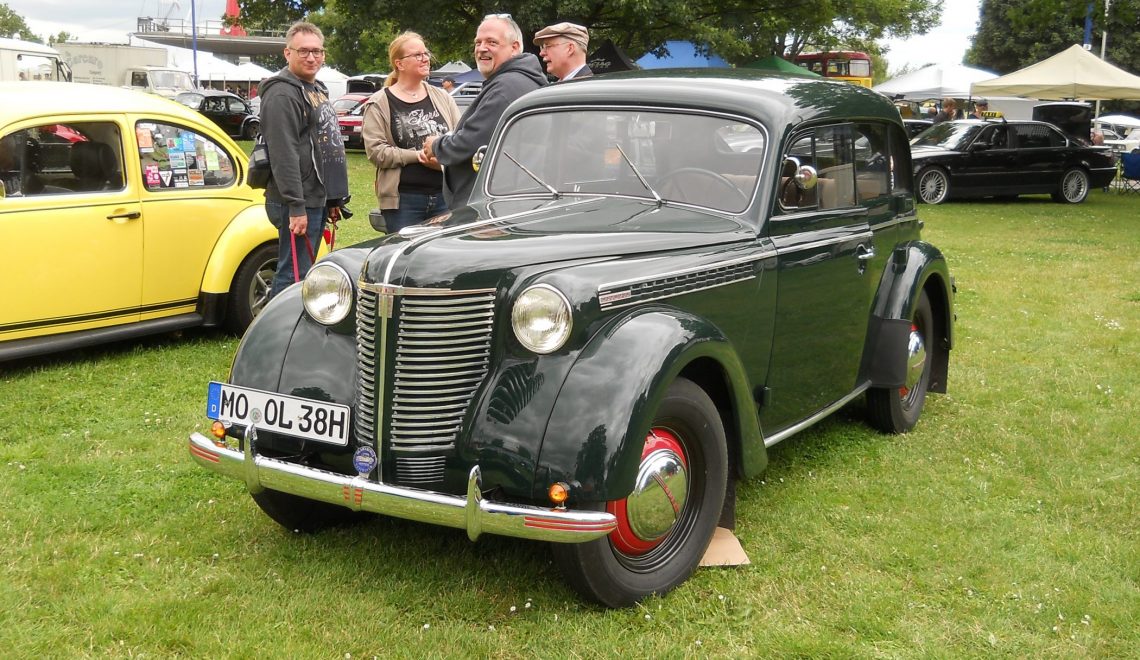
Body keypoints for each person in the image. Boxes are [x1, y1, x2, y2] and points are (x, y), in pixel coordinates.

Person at [259, 21, 349, 299]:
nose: (312, 57)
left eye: (317, 51)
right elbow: (283, 154)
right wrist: (296, 206)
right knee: (291, 276)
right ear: (288, 53)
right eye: (304, 51)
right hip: (295, 201)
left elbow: (324, 146)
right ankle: (277, 338)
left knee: (304, 271)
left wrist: (332, 199)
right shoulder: (281, 93)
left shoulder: (315, 88)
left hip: (316, 198)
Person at [422, 14, 546, 208]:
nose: (481, 48)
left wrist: (436, 145)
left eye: (492, 42)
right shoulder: (519, 80)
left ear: (514, 47)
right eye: (478, 42)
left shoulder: (507, 87)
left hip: (491, 208)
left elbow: (471, 141)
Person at [362, 32, 462, 233]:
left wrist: (442, 159)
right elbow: (376, 152)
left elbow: (460, 139)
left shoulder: (443, 97)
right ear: (399, 64)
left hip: (445, 196)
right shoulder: (379, 102)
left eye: (426, 53)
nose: (425, 58)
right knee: (405, 260)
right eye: (417, 55)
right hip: (403, 202)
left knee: (443, 259)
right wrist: (417, 155)